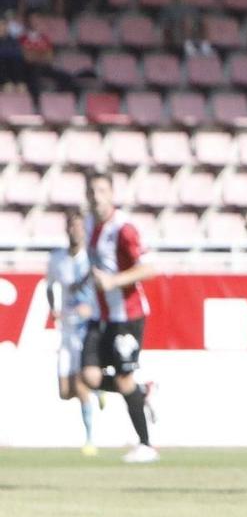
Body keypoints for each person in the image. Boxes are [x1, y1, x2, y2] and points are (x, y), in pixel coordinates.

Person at [77, 172, 159, 463]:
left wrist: (114, 281)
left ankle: (146, 445)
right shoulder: (88, 225)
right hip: (100, 315)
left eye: (101, 190)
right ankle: (142, 392)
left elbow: (148, 268)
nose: (96, 196)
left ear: (111, 194)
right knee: (87, 377)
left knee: (123, 380)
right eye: (92, 190)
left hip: (127, 315)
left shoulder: (124, 229)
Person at [46, 209, 99, 455]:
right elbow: (50, 287)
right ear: (67, 229)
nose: (75, 231)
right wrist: (53, 308)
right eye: (72, 226)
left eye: (79, 226)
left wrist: (94, 307)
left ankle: (90, 440)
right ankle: (100, 389)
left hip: (86, 329)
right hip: (66, 329)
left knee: (80, 383)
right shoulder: (57, 259)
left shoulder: (92, 258)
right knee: (65, 392)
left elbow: (103, 287)